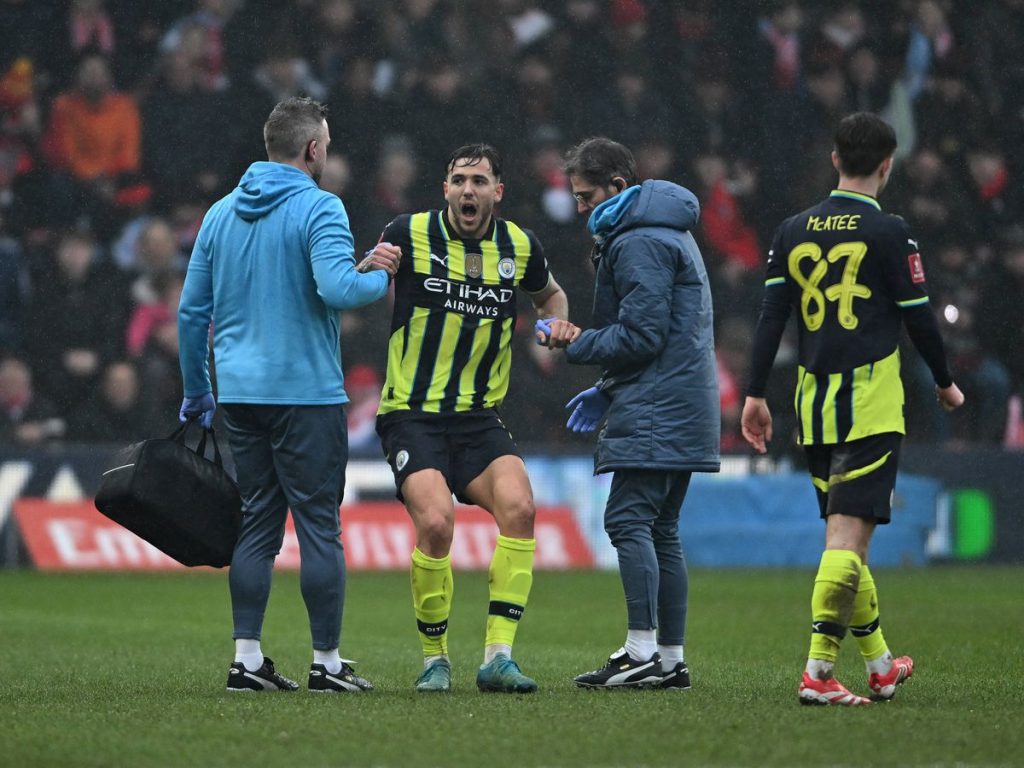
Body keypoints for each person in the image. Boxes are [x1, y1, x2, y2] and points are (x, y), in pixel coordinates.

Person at [740, 112, 964, 706]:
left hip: (813, 406)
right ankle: (817, 673)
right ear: (887, 166)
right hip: (868, 405)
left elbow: (770, 319)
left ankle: (881, 664)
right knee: (845, 543)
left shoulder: (792, 230)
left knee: (848, 542)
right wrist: (945, 382)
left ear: (834, 158)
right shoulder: (890, 232)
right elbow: (918, 316)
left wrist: (754, 393)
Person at [177, 96, 400, 694]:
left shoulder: (220, 214)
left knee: (256, 529)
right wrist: (380, 271)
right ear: (312, 150)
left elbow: (191, 311)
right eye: (325, 143)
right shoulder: (319, 206)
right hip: (305, 394)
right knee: (319, 529)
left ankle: (246, 660)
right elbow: (339, 290)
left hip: (241, 396)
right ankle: (327, 664)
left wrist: (198, 391)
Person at [374, 143, 574, 694]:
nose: (468, 190)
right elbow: (360, 282)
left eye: (480, 181)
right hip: (410, 414)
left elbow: (550, 296)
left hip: (477, 418)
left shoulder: (519, 246)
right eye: (459, 179)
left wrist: (554, 324)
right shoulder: (407, 231)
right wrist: (365, 270)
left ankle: (498, 658)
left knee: (522, 508)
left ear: (497, 192)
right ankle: (435, 659)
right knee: (436, 523)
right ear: (444, 188)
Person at [551, 137, 720, 690]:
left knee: (626, 520)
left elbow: (642, 335)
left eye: (585, 196)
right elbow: (664, 333)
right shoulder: (671, 232)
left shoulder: (637, 241)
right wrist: (608, 386)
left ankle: (641, 651)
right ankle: (669, 659)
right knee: (662, 529)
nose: (580, 209)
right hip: (682, 399)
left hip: (657, 407)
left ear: (617, 188)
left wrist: (576, 343)